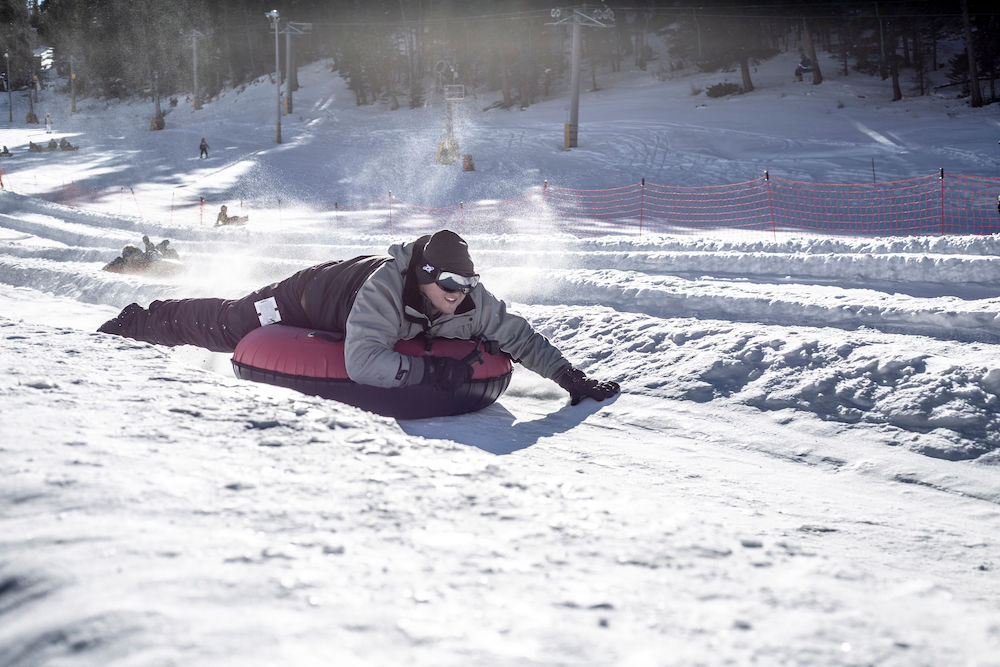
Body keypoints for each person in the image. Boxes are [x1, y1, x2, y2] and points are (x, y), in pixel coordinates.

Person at [97, 229, 620, 405]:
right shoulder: (384, 294)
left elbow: (521, 338)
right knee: (230, 325)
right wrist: (428, 371)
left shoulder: (471, 299)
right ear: (424, 278)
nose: (459, 295)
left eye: (468, 284)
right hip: (314, 296)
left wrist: (571, 379)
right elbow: (365, 361)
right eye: (449, 284)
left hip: (345, 299)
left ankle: (145, 320)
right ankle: (141, 321)